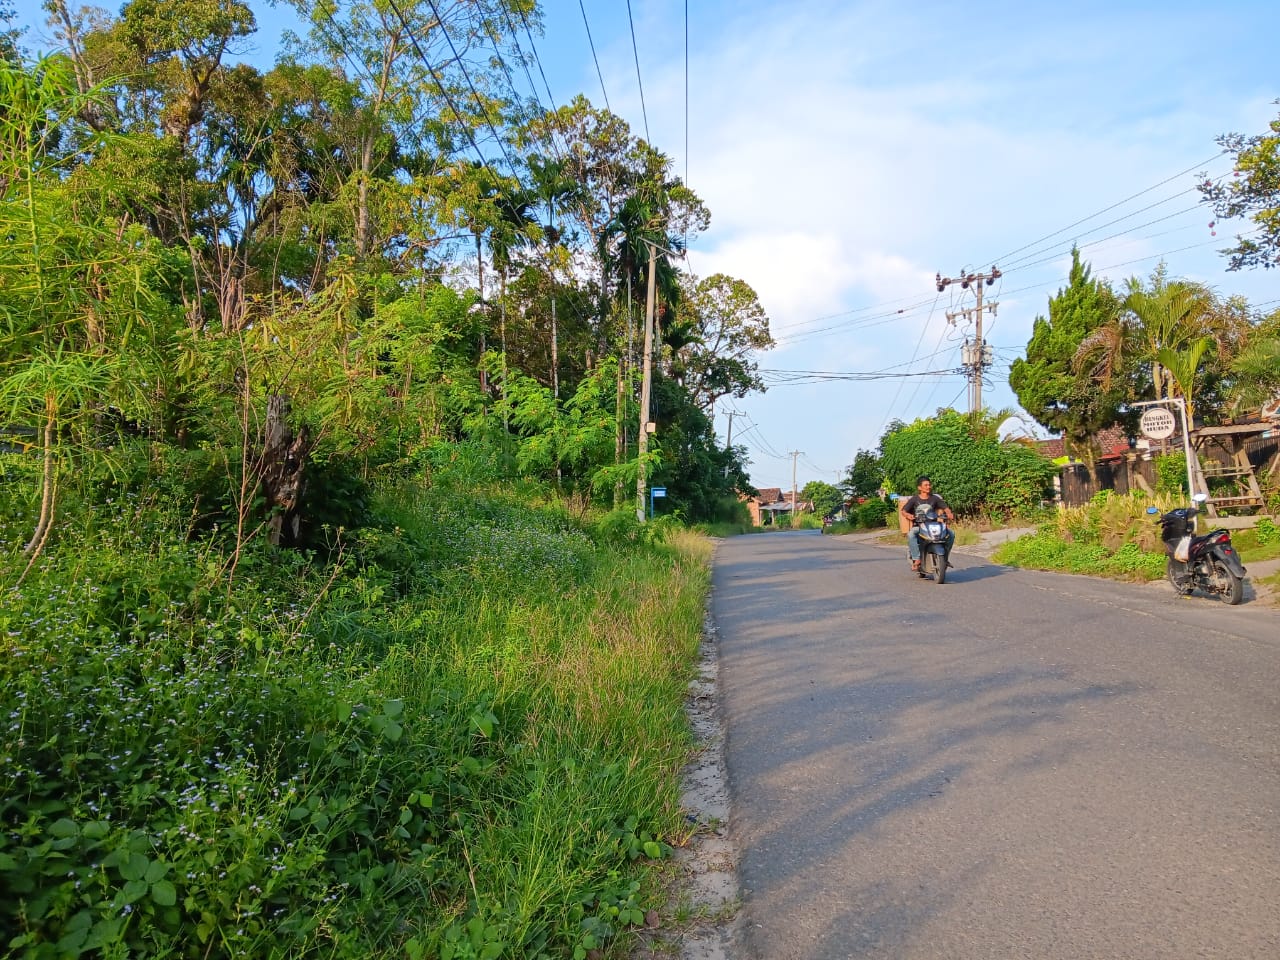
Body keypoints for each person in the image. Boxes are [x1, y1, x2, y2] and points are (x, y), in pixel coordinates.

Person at [900, 475, 956, 572]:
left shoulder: (935, 498)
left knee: (951, 534)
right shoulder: (914, 499)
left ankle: (945, 558)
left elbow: (945, 507)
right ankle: (916, 558)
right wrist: (908, 515)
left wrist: (949, 513)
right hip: (919, 526)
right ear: (919, 488)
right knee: (911, 534)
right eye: (926, 485)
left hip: (934, 525)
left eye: (929, 485)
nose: (928, 487)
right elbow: (904, 511)